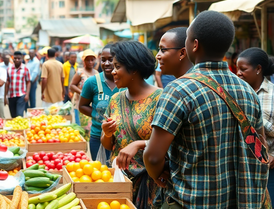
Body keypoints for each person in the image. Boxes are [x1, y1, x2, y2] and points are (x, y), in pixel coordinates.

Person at [144, 11, 269, 208]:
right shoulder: (248, 90)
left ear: (194, 45)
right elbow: (260, 145)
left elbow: (152, 157)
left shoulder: (178, 90)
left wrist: (159, 175)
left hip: (193, 202)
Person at [101, 41, 162, 209]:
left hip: (150, 184)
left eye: (117, 66)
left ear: (133, 68)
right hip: (119, 181)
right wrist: (106, 133)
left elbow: (170, 144)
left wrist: (139, 144)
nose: (112, 71)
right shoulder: (115, 99)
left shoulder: (160, 99)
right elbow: (108, 145)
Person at [236, 47, 274, 202]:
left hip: (268, 169)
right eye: (237, 68)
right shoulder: (234, 93)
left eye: (243, 69)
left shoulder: (272, 93)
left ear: (258, 69)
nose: (238, 73)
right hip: (240, 167)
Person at [79, 45, 119, 161]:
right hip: (98, 136)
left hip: (122, 138)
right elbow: (82, 106)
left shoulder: (125, 82)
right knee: (101, 174)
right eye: (103, 59)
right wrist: (98, 115)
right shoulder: (92, 82)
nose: (106, 63)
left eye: (111, 59)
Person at [69, 49, 97, 126]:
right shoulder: (80, 72)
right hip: (79, 103)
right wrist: (82, 92)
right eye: (88, 60)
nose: (90, 62)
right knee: (80, 125)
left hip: (91, 105)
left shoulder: (97, 73)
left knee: (89, 126)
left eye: (92, 60)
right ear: (84, 61)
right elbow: (72, 85)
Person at [5, 51, 31, 117]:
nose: (17, 60)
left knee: (19, 115)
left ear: (21, 59)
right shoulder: (9, 69)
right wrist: (5, 96)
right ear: (13, 58)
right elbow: (7, 82)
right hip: (11, 95)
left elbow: (28, 82)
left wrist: (27, 94)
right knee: (13, 116)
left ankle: (20, 127)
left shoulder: (25, 68)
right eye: (15, 58)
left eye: (18, 58)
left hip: (21, 95)